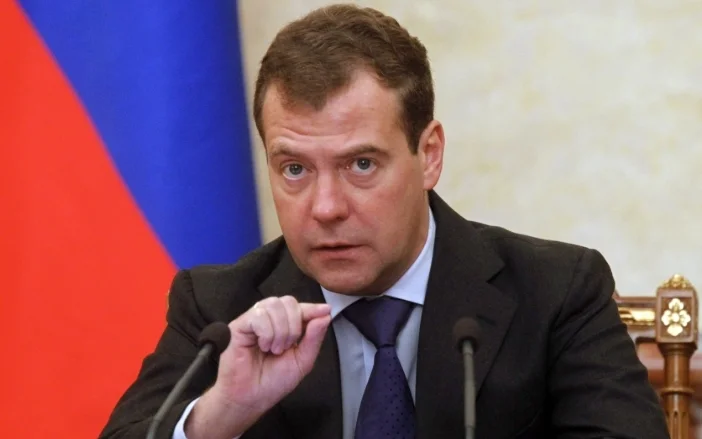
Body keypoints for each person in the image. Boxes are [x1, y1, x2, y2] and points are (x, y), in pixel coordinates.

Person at [99, 4, 669, 439]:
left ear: (430, 155)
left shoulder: (555, 291)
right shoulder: (219, 309)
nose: (325, 207)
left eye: (361, 164)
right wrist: (220, 414)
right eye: (294, 169)